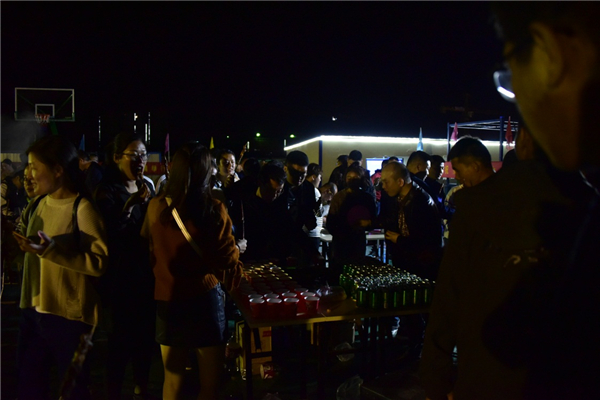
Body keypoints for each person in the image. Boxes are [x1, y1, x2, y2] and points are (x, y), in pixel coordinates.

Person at [420, 3, 600, 399]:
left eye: (511, 77)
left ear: (547, 53)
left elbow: (451, 304)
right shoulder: (585, 199)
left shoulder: (485, 205)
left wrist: (436, 377)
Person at [141, 142, 243, 400]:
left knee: (172, 381)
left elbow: (148, 246)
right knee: (209, 384)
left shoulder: (155, 207)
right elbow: (227, 259)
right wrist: (237, 249)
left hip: (167, 299)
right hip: (204, 301)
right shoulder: (214, 208)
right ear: (206, 172)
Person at [13, 135, 108, 400]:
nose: (28, 174)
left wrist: (52, 251)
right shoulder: (37, 204)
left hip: (69, 318)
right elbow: (25, 255)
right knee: (29, 387)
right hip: (33, 310)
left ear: (58, 170)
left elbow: (99, 263)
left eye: (34, 167)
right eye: (28, 167)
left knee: (73, 390)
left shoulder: (82, 208)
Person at [94, 132, 156, 400]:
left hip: (146, 275)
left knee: (145, 339)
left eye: (143, 155)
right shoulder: (106, 191)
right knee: (119, 342)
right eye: (134, 155)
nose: (140, 160)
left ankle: (142, 386)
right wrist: (130, 205)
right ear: (118, 157)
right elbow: (109, 235)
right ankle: (114, 391)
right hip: (120, 278)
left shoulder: (148, 186)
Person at [326, 165, 377, 272]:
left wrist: (365, 224)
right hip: (341, 243)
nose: (352, 180)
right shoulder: (339, 197)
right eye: (349, 177)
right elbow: (330, 223)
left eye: (356, 178)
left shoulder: (367, 198)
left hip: (358, 241)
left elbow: (373, 220)